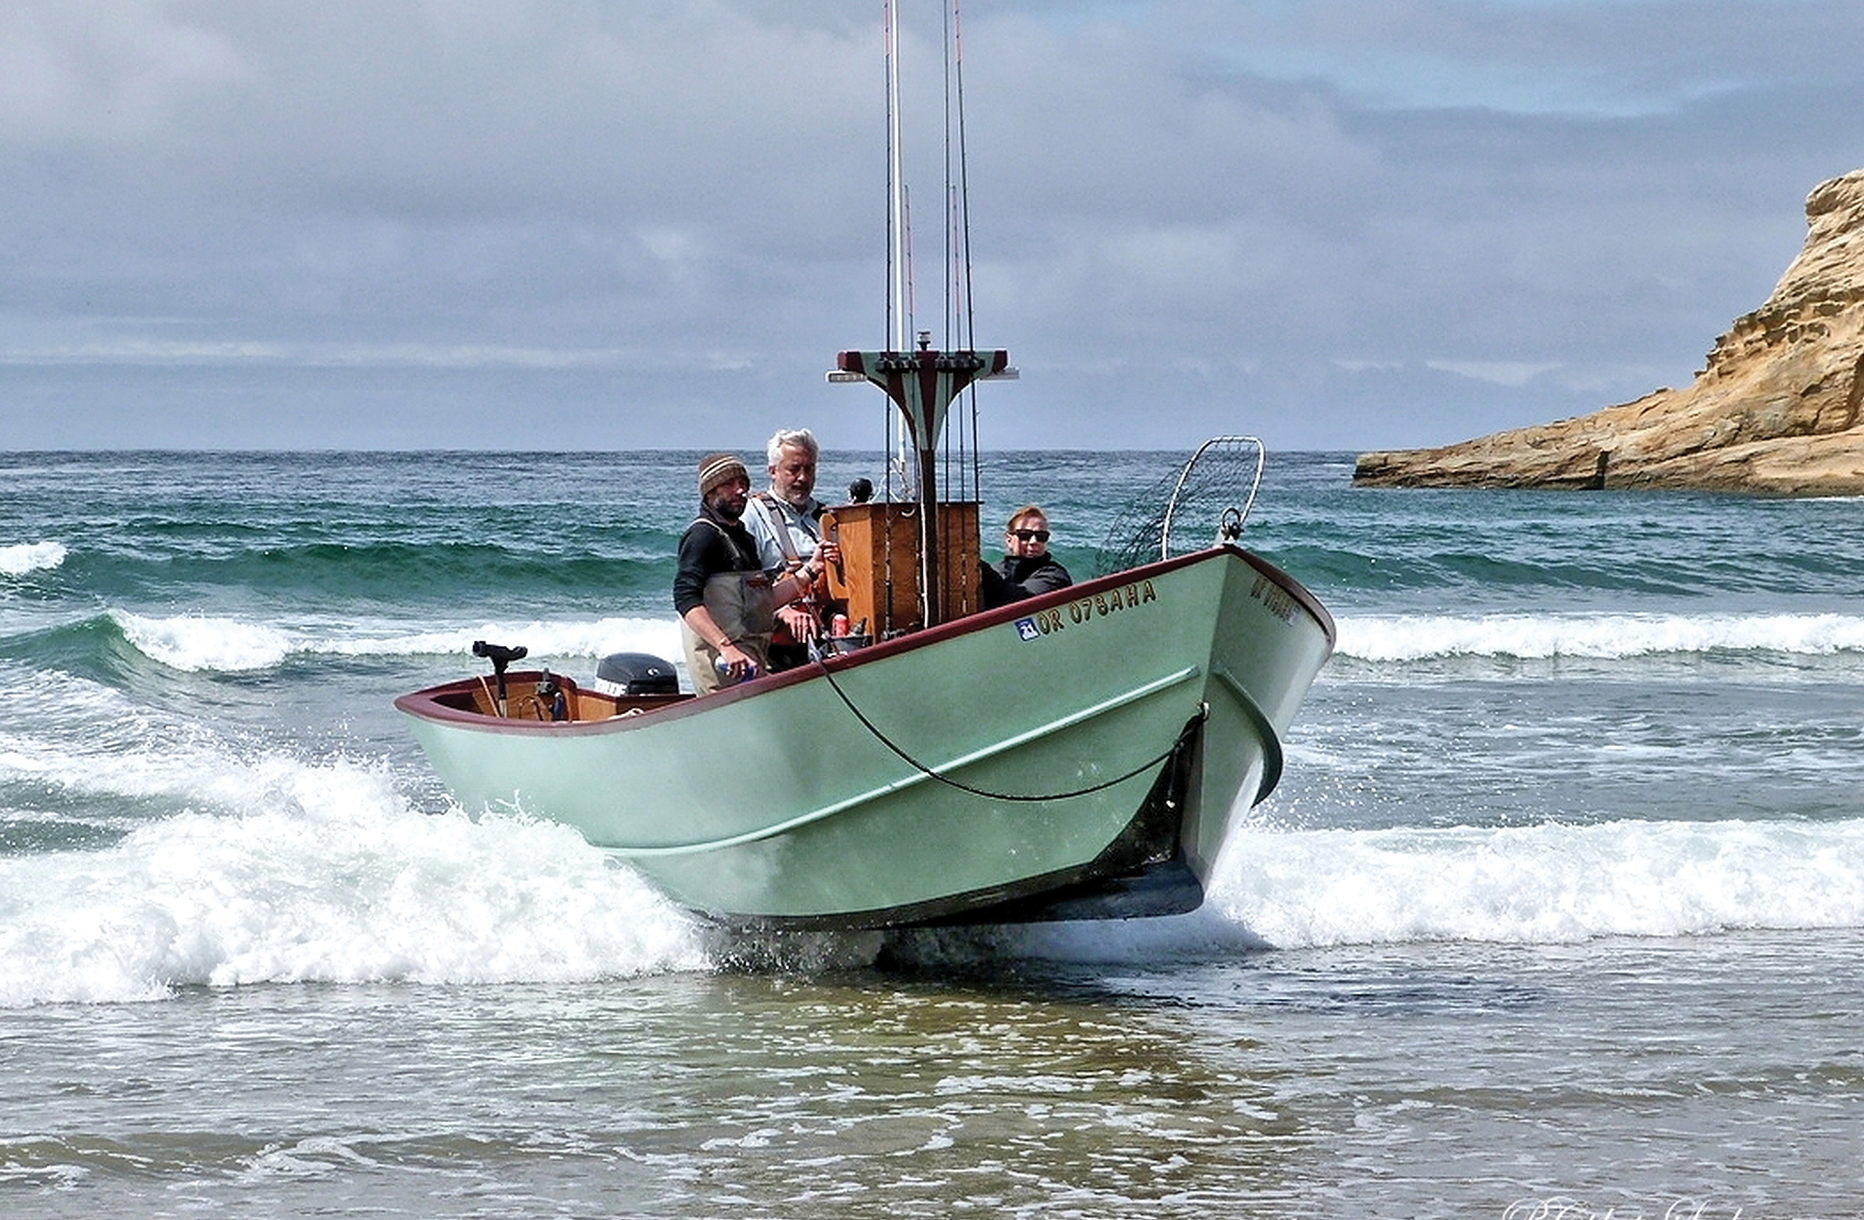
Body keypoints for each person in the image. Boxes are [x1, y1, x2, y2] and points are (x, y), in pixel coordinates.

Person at [674, 453, 826, 694]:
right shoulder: (703, 536)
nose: (741, 490)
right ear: (710, 491)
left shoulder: (743, 537)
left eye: (743, 483)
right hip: (722, 665)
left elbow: (765, 600)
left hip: (753, 662)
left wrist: (811, 569)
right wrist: (725, 647)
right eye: (729, 485)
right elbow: (685, 600)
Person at [743, 428, 840, 669]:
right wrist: (783, 611)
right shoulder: (752, 516)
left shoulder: (827, 517)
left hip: (825, 631)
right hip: (774, 642)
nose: (803, 478)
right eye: (794, 469)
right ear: (773, 472)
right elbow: (742, 589)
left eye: (809, 469)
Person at [980, 505, 1073, 609]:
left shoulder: (1055, 576)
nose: (1033, 542)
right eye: (1025, 535)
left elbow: (1023, 602)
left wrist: (980, 568)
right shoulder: (997, 570)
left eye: (1041, 536)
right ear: (1009, 540)